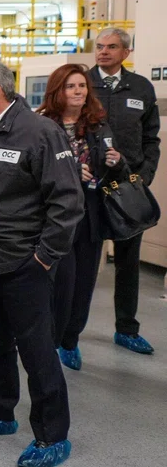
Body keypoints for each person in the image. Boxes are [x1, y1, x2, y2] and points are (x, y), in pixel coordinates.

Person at [0, 59, 83, 467]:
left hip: (25, 263)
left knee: (37, 350)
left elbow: (67, 202)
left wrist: (43, 258)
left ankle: (52, 434)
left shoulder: (39, 132)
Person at [38, 65, 125, 370]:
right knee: (60, 283)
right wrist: (71, 170)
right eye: (70, 86)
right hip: (55, 217)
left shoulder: (98, 124)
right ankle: (49, 340)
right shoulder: (43, 125)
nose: (78, 92)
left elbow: (114, 167)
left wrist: (117, 162)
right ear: (57, 91)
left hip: (90, 215)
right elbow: (34, 170)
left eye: (82, 86)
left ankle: (70, 340)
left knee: (84, 284)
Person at [89, 27, 161, 355]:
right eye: (100, 46)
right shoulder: (81, 83)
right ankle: (65, 333)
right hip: (88, 187)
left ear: (126, 52)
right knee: (82, 263)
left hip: (127, 187)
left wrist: (143, 176)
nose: (103, 52)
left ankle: (127, 329)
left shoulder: (141, 88)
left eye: (111, 47)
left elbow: (151, 140)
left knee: (128, 262)